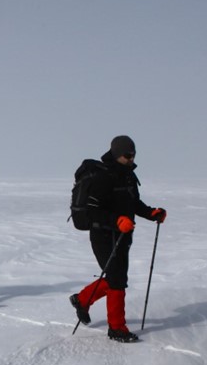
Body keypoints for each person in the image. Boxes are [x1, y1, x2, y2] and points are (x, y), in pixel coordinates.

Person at [69, 135, 166, 343]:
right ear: (116, 154)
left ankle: (82, 299)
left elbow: (134, 203)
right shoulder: (103, 177)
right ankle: (116, 328)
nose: (131, 159)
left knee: (117, 278)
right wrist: (116, 221)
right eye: (127, 155)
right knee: (117, 280)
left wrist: (152, 213)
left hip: (123, 235)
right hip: (103, 235)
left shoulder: (129, 176)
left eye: (133, 155)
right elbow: (92, 211)